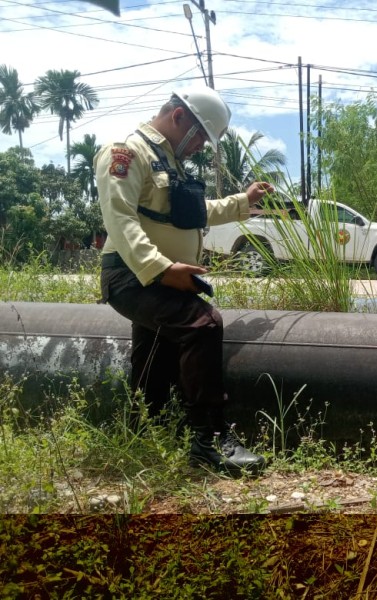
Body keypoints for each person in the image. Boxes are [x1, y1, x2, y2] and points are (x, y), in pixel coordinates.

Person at [95, 86, 274, 475]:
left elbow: (194, 212)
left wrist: (243, 202)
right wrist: (160, 269)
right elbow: (119, 218)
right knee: (203, 324)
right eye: (200, 138)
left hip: (159, 275)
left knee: (155, 347)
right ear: (179, 118)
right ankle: (209, 441)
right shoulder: (126, 153)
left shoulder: (168, 162)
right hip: (131, 276)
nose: (200, 149)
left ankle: (144, 428)